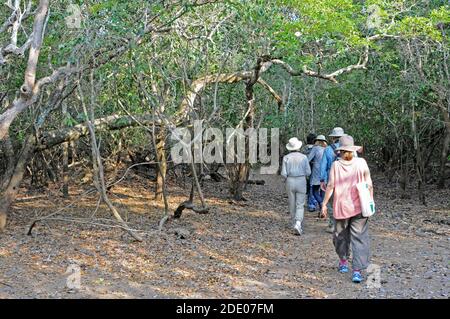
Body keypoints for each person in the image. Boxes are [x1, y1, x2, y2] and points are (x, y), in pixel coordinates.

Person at [320, 135, 373, 283]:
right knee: (359, 238)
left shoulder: (336, 165)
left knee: (340, 236)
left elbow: (330, 185)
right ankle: (357, 271)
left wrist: (324, 204)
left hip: (341, 206)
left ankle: (343, 261)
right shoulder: (362, 163)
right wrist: (370, 201)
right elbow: (369, 184)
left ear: (340, 151)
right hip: (360, 207)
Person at [281, 137, 311, 235]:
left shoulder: (286, 157)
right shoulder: (304, 157)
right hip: (301, 180)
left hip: (290, 180)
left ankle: (294, 222)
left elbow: (284, 173)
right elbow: (308, 172)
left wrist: (285, 179)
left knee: (292, 202)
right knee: (300, 204)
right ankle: (298, 223)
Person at [319, 127, 346, 233]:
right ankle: (344, 224)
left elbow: (323, 166)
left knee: (331, 203)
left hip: (332, 179)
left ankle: (332, 225)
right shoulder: (349, 149)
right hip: (346, 180)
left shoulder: (328, 149)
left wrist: (322, 180)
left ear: (333, 137)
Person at [307, 135, 328, 214]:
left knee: (315, 190)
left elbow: (308, 159)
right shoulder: (327, 149)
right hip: (325, 172)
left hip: (316, 171)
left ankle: (322, 204)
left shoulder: (315, 148)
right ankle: (322, 209)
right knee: (323, 190)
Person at [303, 133, 318, 212]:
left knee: (309, 186)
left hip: (306, 169)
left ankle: (310, 203)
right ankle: (313, 202)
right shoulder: (317, 148)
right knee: (315, 186)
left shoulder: (304, 149)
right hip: (315, 169)